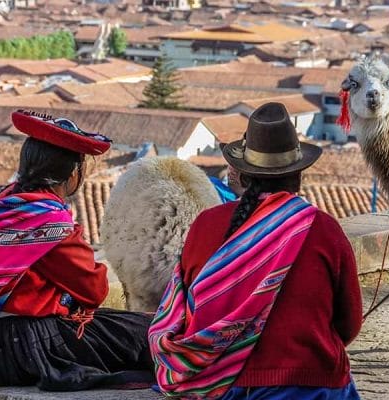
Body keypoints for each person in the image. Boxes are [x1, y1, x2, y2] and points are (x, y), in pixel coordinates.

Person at [0, 110, 154, 390]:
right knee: (147, 335)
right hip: (20, 346)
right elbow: (94, 289)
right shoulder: (49, 221)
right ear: (72, 174)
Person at [149, 102, 363, 399]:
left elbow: (179, 310)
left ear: (245, 174)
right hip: (308, 383)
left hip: (219, 385)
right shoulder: (324, 229)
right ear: (298, 174)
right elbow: (349, 322)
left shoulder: (205, 225)